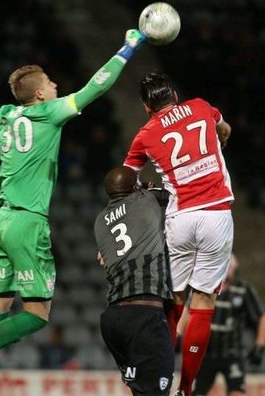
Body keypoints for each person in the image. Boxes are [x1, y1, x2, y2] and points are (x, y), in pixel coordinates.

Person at [0, 29, 147, 396]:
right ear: (39, 94)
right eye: (50, 83)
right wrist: (128, 48)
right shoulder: (49, 113)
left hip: (0, 220)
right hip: (27, 222)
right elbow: (96, 87)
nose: (55, 86)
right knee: (37, 316)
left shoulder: (4, 114)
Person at [123, 72, 234, 396]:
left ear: (146, 107)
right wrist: (221, 137)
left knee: (173, 301)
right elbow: (224, 127)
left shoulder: (145, 134)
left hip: (179, 218)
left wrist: (145, 188)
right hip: (215, 213)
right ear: (173, 93)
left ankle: (155, 382)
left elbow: (125, 179)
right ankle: (186, 388)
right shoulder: (201, 107)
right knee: (204, 300)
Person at [94, 167, 175, 396]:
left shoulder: (100, 221)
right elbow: (174, 195)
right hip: (144, 316)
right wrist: (146, 187)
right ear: (134, 188)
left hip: (113, 319)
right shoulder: (145, 200)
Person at [193, 254, 265, 396]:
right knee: (198, 392)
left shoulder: (243, 289)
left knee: (236, 393)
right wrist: (180, 334)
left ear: (236, 265)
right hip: (206, 353)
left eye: (230, 263)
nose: (227, 266)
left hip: (232, 354)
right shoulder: (206, 286)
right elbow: (189, 310)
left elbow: (263, 317)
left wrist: (260, 346)